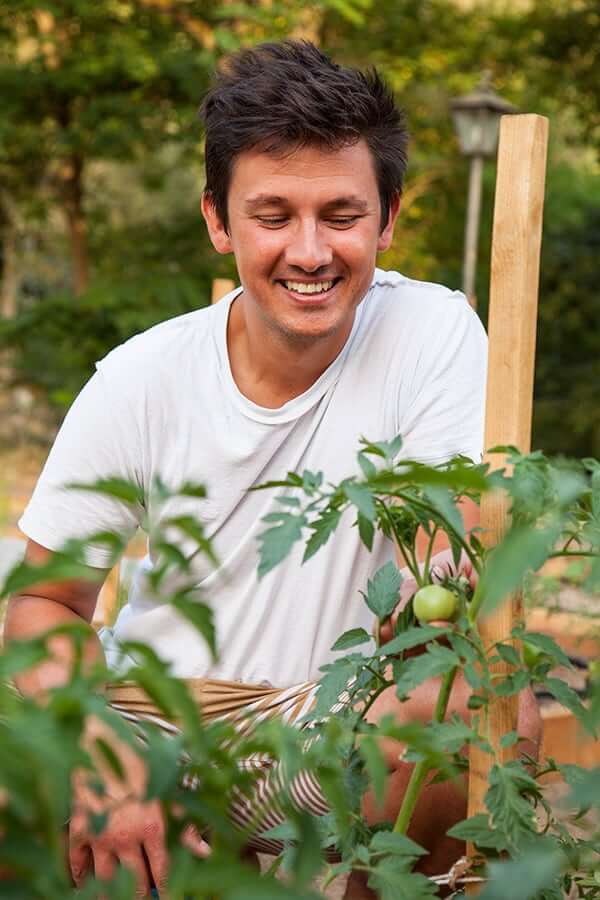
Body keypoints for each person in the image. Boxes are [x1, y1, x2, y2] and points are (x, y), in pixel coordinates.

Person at [4, 41, 540, 899]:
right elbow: (40, 601)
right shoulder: (142, 377)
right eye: (272, 214)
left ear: (387, 218)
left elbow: (446, 572)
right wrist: (96, 753)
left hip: (335, 721)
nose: (309, 250)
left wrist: (453, 563)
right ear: (219, 221)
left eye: (340, 214)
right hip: (157, 716)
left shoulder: (434, 336)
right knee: (20, 766)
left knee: (479, 715)